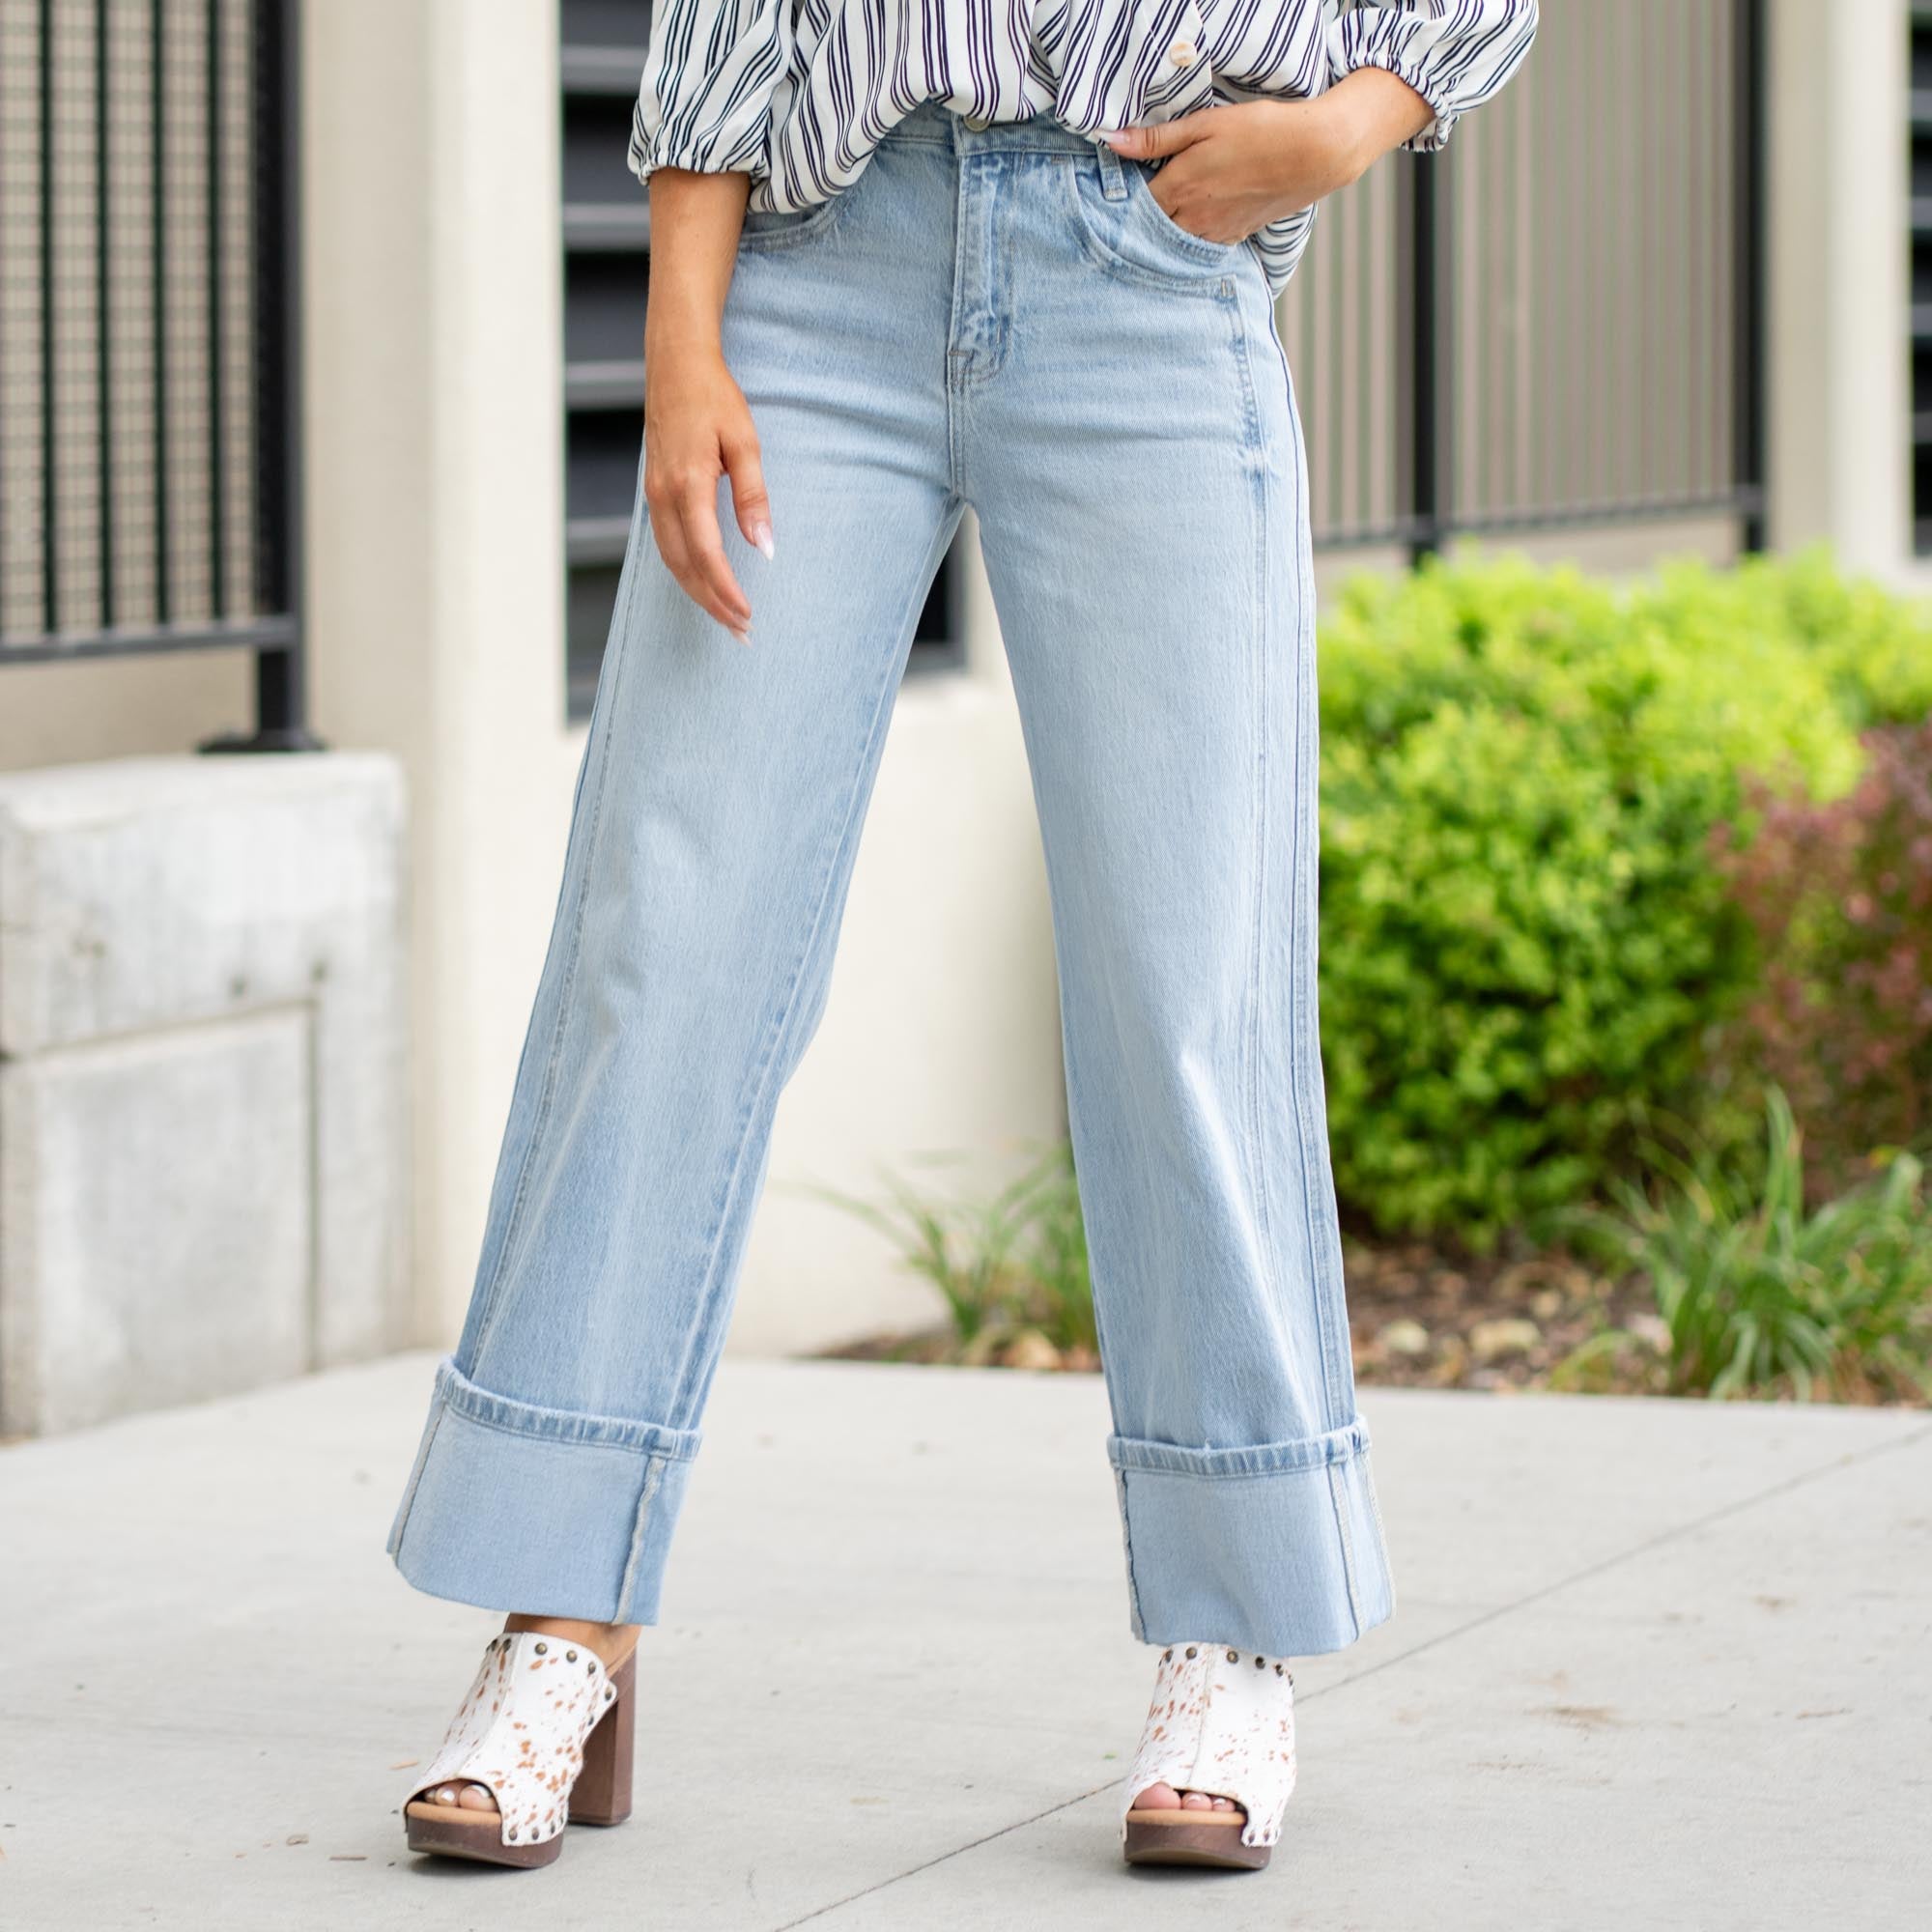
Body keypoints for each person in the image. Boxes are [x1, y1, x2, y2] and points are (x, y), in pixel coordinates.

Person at [389, 0, 1537, 1874]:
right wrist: (681, 329)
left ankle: (1231, 1632)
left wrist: (1352, 122)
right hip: (817, 268)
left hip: (1147, 264)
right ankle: (560, 1615)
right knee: (663, 954)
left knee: (1185, 983)